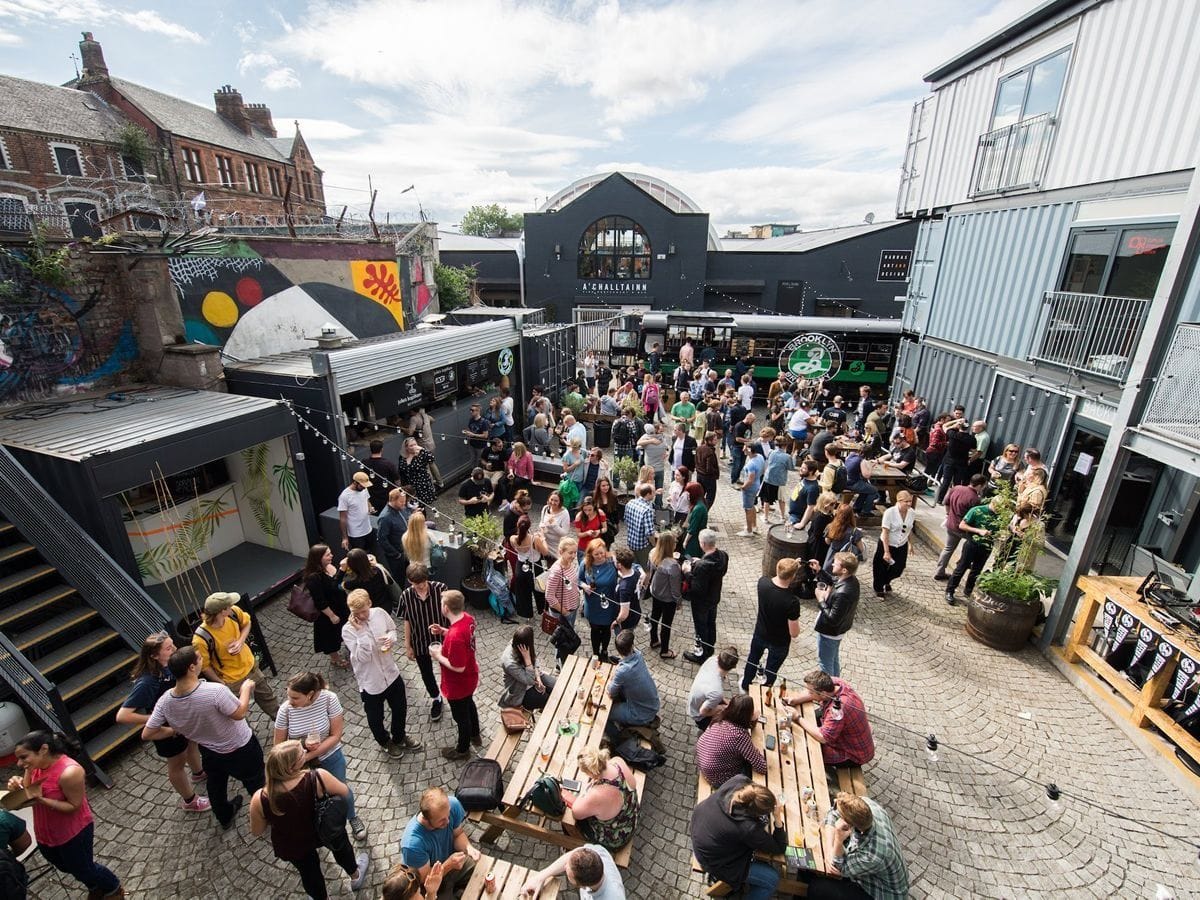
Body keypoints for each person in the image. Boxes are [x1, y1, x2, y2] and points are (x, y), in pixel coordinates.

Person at [142, 645, 263, 830]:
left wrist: (176, 730)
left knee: (216, 785)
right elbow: (239, 713)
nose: (202, 661)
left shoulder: (165, 700)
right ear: (191, 667)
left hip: (209, 750)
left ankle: (224, 815)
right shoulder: (214, 691)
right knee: (256, 781)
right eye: (199, 659)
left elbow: (148, 733)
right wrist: (246, 689)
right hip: (240, 747)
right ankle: (265, 810)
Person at [6, 731, 123, 898]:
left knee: (84, 868)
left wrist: (41, 800)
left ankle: (113, 888)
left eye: (23, 757)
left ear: (43, 749)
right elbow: (28, 790)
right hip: (46, 832)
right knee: (64, 866)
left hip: (73, 833)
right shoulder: (34, 766)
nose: (19, 763)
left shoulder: (70, 772)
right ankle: (94, 886)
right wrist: (17, 785)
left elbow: (74, 806)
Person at [249, 741, 369, 898]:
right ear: (291, 767)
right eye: (301, 754)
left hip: (294, 842)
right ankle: (355, 875)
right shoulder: (317, 777)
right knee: (341, 848)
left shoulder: (260, 798)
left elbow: (257, 831)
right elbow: (344, 791)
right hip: (324, 828)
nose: (305, 753)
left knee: (308, 872)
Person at [115, 631, 210, 813]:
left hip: (180, 721)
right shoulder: (148, 681)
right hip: (166, 731)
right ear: (154, 656)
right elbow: (123, 716)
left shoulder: (169, 666)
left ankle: (198, 772)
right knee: (177, 763)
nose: (174, 649)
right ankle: (190, 800)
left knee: (191, 744)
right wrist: (159, 720)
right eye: (168, 648)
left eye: (173, 644)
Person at [273, 671, 367, 841]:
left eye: (295, 698)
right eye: (288, 695)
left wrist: (308, 756)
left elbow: (335, 735)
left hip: (330, 756)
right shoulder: (285, 711)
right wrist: (303, 745)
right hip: (301, 765)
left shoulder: (329, 699)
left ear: (310, 695)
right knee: (311, 798)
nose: (290, 701)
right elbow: (278, 746)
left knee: (342, 789)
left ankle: (352, 817)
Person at [342, 589, 422, 758]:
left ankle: (399, 737)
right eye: (357, 613)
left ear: (370, 603)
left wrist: (391, 639)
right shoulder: (348, 630)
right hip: (371, 681)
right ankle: (385, 742)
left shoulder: (379, 613)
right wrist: (360, 632)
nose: (361, 616)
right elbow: (363, 657)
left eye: (364, 611)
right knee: (376, 717)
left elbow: (392, 629)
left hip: (391, 673)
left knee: (400, 708)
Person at [691, 775, 785, 900]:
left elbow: (754, 794)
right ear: (756, 814)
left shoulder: (739, 781)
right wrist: (777, 818)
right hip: (712, 860)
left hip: (699, 825)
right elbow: (779, 847)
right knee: (771, 880)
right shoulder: (748, 828)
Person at [192, 591, 279, 719]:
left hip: (251, 668)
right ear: (222, 611)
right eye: (229, 605)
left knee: (270, 702)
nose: (233, 606)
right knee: (238, 716)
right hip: (231, 681)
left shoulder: (234, 613)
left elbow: (247, 623)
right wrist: (221, 683)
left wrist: (240, 641)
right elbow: (204, 666)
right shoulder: (200, 639)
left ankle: (285, 725)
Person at [810, 793, 909, 900]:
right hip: (872, 869)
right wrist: (830, 849)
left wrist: (838, 840)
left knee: (817, 888)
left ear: (852, 826)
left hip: (882, 893)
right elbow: (833, 814)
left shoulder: (872, 855)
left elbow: (838, 867)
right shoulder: (865, 804)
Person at [400, 786, 481, 899]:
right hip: (432, 884)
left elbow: (457, 834)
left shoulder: (452, 805)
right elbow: (425, 880)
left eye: (448, 815)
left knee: (482, 871)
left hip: (451, 863)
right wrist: (449, 865)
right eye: (442, 820)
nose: (447, 821)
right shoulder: (412, 844)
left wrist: (469, 848)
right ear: (426, 819)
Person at [784, 669, 874, 767]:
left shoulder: (837, 710)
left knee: (809, 752)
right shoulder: (835, 683)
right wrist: (796, 699)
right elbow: (813, 692)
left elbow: (823, 737)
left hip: (854, 753)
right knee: (810, 721)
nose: (808, 693)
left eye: (811, 693)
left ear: (823, 694)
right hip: (846, 732)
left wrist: (798, 717)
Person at [430, 589, 481, 761]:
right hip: (471, 677)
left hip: (458, 684)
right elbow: (463, 636)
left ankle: (462, 749)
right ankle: (475, 734)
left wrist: (438, 656)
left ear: (446, 608)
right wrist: (443, 631)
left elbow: (458, 667)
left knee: (461, 717)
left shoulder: (454, 637)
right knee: (469, 704)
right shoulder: (468, 618)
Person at [397, 563, 449, 721]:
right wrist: (407, 645)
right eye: (416, 584)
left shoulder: (441, 589)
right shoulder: (406, 596)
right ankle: (436, 698)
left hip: (442, 638)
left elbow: (451, 613)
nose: (420, 586)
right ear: (410, 581)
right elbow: (407, 620)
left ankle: (452, 693)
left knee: (448, 667)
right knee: (426, 673)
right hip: (419, 640)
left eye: (423, 582)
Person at [740, 558, 802, 691]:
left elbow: (775, 578)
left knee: (752, 660)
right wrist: (794, 568)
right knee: (771, 670)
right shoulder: (792, 601)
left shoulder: (762, 583)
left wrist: (791, 566)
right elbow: (794, 633)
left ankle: (746, 684)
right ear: (792, 577)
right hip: (779, 641)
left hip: (760, 633)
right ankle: (763, 692)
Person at [562, 748, 639, 852]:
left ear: (591, 772)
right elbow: (633, 784)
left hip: (616, 839)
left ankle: (569, 848)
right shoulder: (617, 761)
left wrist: (586, 789)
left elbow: (576, 812)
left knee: (568, 816)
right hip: (631, 820)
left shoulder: (596, 794)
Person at [696, 694, 767, 788]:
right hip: (717, 778)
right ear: (747, 716)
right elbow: (761, 767)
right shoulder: (740, 736)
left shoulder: (719, 719)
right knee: (748, 769)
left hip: (703, 763)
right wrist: (756, 751)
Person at [604, 630, 660, 742]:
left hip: (639, 713)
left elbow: (610, 692)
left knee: (604, 714)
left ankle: (618, 741)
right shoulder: (638, 655)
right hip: (653, 705)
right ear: (632, 645)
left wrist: (610, 682)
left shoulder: (623, 671)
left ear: (617, 650)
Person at [682, 529, 729, 664]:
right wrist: (699, 561)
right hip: (714, 597)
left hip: (701, 603)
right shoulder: (723, 555)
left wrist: (687, 572)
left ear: (702, 544)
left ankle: (701, 655)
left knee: (701, 627)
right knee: (711, 623)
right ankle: (710, 647)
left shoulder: (702, 566)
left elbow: (697, 589)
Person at [945, 497, 1002, 606]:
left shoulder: (1000, 516)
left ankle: (968, 590)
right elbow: (962, 525)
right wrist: (978, 531)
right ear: (993, 503)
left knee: (977, 570)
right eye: (998, 507)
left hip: (987, 546)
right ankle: (950, 591)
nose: (999, 510)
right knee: (961, 567)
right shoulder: (977, 510)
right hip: (972, 543)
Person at [814, 552, 860, 677]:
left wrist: (821, 600)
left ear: (844, 570)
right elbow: (834, 580)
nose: (832, 564)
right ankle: (837, 683)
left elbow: (832, 619)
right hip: (837, 632)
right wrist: (819, 571)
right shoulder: (850, 580)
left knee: (825, 664)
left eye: (836, 563)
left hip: (829, 634)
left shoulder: (842, 593)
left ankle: (829, 688)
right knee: (833, 660)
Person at [933, 473, 987, 580]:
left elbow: (946, 503)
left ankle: (939, 571)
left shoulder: (956, 488)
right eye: (983, 486)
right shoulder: (975, 499)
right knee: (971, 546)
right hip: (963, 529)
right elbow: (974, 517)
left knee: (948, 548)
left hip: (951, 524)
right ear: (979, 485)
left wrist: (948, 514)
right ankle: (961, 564)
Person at [520, 844, 626, 899]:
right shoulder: (597, 852)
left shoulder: (614, 897)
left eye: (568, 872)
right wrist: (540, 877)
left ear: (581, 886)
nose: (565, 866)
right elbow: (570, 857)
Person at [643, 530, 683, 659]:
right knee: (666, 624)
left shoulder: (652, 553)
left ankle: (654, 640)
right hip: (667, 599)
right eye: (674, 542)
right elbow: (675, 589)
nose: (676, 543)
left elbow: (649, 568)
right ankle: (664, 650)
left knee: (655, 617)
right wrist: (678, 601)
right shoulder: (673, 565)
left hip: (655, 592)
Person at [580, 539, 620, 662]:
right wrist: (584, 586)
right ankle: (596, 653)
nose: (600, 556)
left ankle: (604, 651)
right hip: (593, 604)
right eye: (596, 554)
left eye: (602, 553)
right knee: (595, 629)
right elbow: (578, 579)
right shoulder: (585, 563)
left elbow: (629, 566)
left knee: (607, 629)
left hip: (609, 604)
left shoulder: (612, 561)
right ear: (590, 554)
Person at [500, 625, 556, 711]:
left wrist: (538, 678)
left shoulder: (522, 644)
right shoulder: (509, 663)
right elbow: (530, 680)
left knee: (557, 687)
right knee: (549, 700)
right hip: (521, 691)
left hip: (533, 676)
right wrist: (527, 659)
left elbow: (534, 659)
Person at [872, 491, 916, 597]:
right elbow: (885, 533)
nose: (909, 504)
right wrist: (886, 551)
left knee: (899, 568)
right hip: (887, 544)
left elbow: (909, 529)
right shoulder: (890, 513)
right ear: (899, 501)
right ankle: (878, 587)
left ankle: (886, 581)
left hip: (901, 544)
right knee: (880, 567)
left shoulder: (912, 513)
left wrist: (911, 544)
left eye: (910, 501)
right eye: (906, 501)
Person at [688, 647, 738, 731]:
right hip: (699, 715)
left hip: (695, 701)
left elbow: (713, 693)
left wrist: (726, 702)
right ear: (734, 667)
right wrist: (722, 707)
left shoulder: (711, 660)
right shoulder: (717, 691)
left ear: (718, 657)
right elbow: (703, 712)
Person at [342, 546, 392, 611]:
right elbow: (389, 581)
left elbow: (338, 585)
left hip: (372, 611)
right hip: (387, 606)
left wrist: (342, 570)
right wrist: (375, 563)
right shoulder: (378, 570)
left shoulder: (354, 582)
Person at [376, 488, 411, 582]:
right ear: (392, 500)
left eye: (404, 501)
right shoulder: (385, 518)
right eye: (401, 502)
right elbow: (381, 539)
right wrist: (396, 554)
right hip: (397, 555)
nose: (404, 504)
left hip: (406, 550)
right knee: (399, 578)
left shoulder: (401, 509)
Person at [338, 471, 376, 553]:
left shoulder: (364, 490)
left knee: (371, 553)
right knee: (360, 555)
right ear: (355, 483)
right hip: (356, 534)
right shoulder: (345, 496)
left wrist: (370, 508)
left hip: (368, 529)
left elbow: (367, 500)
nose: (364, 488)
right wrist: (345, 537)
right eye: (362, 486)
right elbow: (342, 518)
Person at [397, 437, 439, 508]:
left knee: (422, 505)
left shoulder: (421, 454)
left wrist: (422, 449)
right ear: (406, 448)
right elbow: (402, 470)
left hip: (422, 484)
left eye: (415, 444)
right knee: (414, 505)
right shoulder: (403, 457)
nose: (414, 447)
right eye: (411, 445)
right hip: (410, 484)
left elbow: (431, 458)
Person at [760, 437, 795, 523]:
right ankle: (782, 517)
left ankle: (765, 518)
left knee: (766, 500)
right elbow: (791, 468)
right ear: (785, 446)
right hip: (780, 481)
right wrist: (793, 457)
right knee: (781, 499)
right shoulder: (787, 457)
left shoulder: (771, 452)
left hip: (769, 479)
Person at [623, 482, 656, 569]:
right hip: (642, 546)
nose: (655, 494)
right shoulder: (647, 510)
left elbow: (625, 520)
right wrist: (654, 545)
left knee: (634, 567)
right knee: (646, 568)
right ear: (648, 494)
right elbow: (650, 533)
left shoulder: (630, 503)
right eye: (653, 492)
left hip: (631, 542)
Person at [611, 546, 644, 632]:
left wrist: (616, 622)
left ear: (619, 565)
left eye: (614, 561)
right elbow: (640, 570)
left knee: (623, 639)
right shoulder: (636, 572)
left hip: (626, 622)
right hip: (636, 611)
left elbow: (624, 614)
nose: (613, 562)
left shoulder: (624, 588)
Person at [637, 423, 668, 506]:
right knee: (659, 488)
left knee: (646, 489)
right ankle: (658, 505)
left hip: (649, 470)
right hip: (660, 468)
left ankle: (646, 504)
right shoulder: (663, 439)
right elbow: (666, 448)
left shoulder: (646, 440)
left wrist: (650, 440)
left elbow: (638, 443)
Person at [535, 490, 572, 559]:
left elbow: (564, 533)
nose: (553, 502)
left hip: (556, 546)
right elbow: (541, 522)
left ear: (560, 502)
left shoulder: (564, 513)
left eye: (556, 501)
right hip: (544, 542)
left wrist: (554, 525)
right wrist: (542, 527)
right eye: (551, 500)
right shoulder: (545, 508)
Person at [574, 496, 608, 562]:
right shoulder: (579, 517)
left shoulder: (600, 513)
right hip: (583, 547)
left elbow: (605, 528)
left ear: (594, 507)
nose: (587, 512)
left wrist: (599, 531)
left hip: (597, 547)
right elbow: (578, 534)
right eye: (585, 510)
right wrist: (587, 533)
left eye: (590, 510)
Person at [682, 482, 709, 559]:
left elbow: (692, 529)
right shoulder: (700, 503)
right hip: (697, 537)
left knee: (689, 557)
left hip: (694, 539)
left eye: (688, 493)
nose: (687, 496)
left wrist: (685, 541)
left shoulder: (698, 509)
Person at [592, 477, 621, 546]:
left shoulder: (613, 497)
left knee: (607, 545)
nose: (606, 487)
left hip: (609, 526)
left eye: (607, 485)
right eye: (603, 486)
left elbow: (616, 512)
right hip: (597, 525)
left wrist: (617, 525)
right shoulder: (593, 497)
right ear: (599, 486)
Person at [695, 430, 720, 509]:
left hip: (699, 475)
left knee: (700, 495)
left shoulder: (699, 448)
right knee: (710, 497)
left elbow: (696, 461)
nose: (716, 441)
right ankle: (703, 511)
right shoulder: (710, 452)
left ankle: (698, 508)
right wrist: (715, 473)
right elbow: (709, 468)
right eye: (715, 440)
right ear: (709, 441)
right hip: (708, 477)